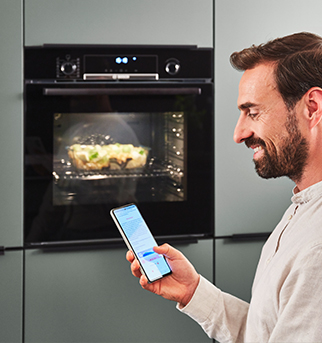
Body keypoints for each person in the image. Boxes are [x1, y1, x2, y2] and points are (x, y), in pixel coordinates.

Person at [126, 32, 322, 342]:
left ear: (312, 107)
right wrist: (193, 292)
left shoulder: (317, 248)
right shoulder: (304, 207)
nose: (239, 133)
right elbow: (268, 333)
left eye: (252, 112)